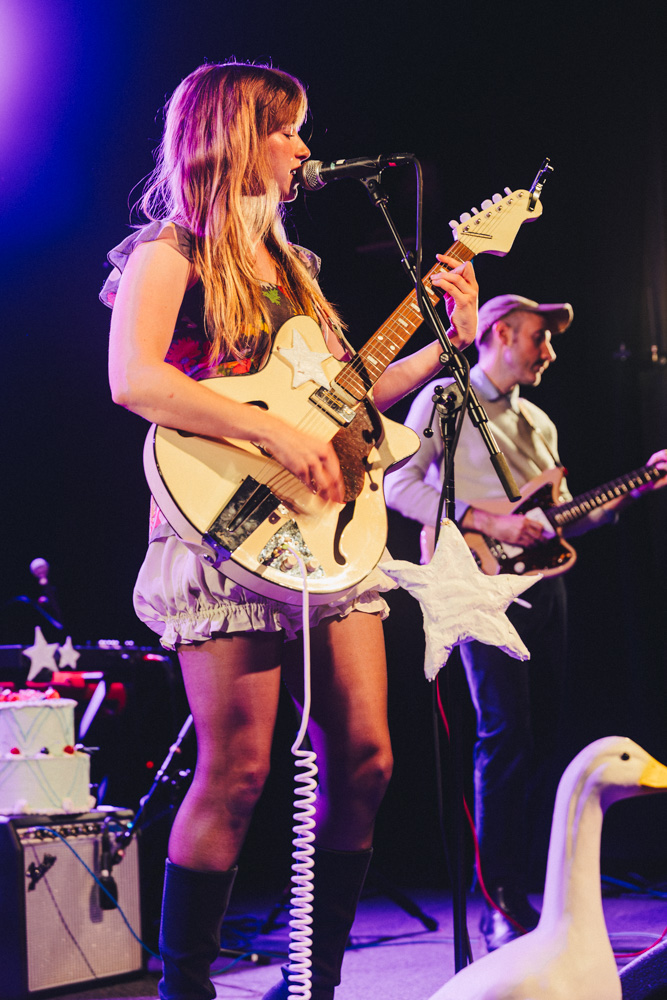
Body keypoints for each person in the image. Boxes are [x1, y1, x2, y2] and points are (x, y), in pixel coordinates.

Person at [101, 62, 479, 1000]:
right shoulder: (170, 252)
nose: (305, 149)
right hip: (224, 527)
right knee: (237, 770)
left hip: (325, 536)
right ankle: (183, 987)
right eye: (288, 130)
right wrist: (266, 429)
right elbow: (134, 379)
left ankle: (312, 980)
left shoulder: (298, 273)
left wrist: (444, 340)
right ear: (236, 134)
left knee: (367, 757)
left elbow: (350, 396)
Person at [384, 293, 667, 952]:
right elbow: (398, 486)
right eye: (539, 338)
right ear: (500, 333)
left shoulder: (536, 421)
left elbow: (559, 517)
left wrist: (629, 493)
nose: (549, 352)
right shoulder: (443, 402)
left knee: (535, 738)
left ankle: (526, 887)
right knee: (501, 735)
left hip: (542, 588)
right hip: (477, 585)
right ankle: (498, 897)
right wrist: (486, 521)